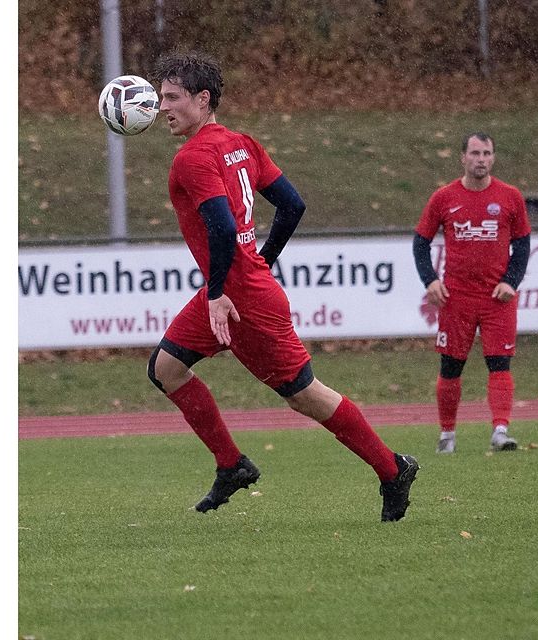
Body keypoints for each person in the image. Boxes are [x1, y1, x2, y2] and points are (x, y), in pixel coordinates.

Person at [146, 52, 418, 521]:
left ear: (203, 99)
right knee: (166, 368)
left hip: (239, 299)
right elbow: (292, 205)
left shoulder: (193, 157)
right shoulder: (242, 144)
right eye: (159, 97)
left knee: (304, 394)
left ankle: (392, 469)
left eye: (172, 97)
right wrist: (260, 262)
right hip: (238, 287)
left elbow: (222, 227)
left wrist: (217, 292)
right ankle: (231, 465)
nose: (162, 107)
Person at [412, 132, 532, 454]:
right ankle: (447, 436)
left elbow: (522, 245)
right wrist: (430, 280)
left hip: (497, 299)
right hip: (457, 299)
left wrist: (512, 280)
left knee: (500, 363)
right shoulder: (443, 198)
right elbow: (420, 242)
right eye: (475, 153)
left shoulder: (510, 197)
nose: (481, 159)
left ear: (493, 158)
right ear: (462, 157)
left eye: (487, 153)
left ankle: (500, 431)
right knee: (451, 367)